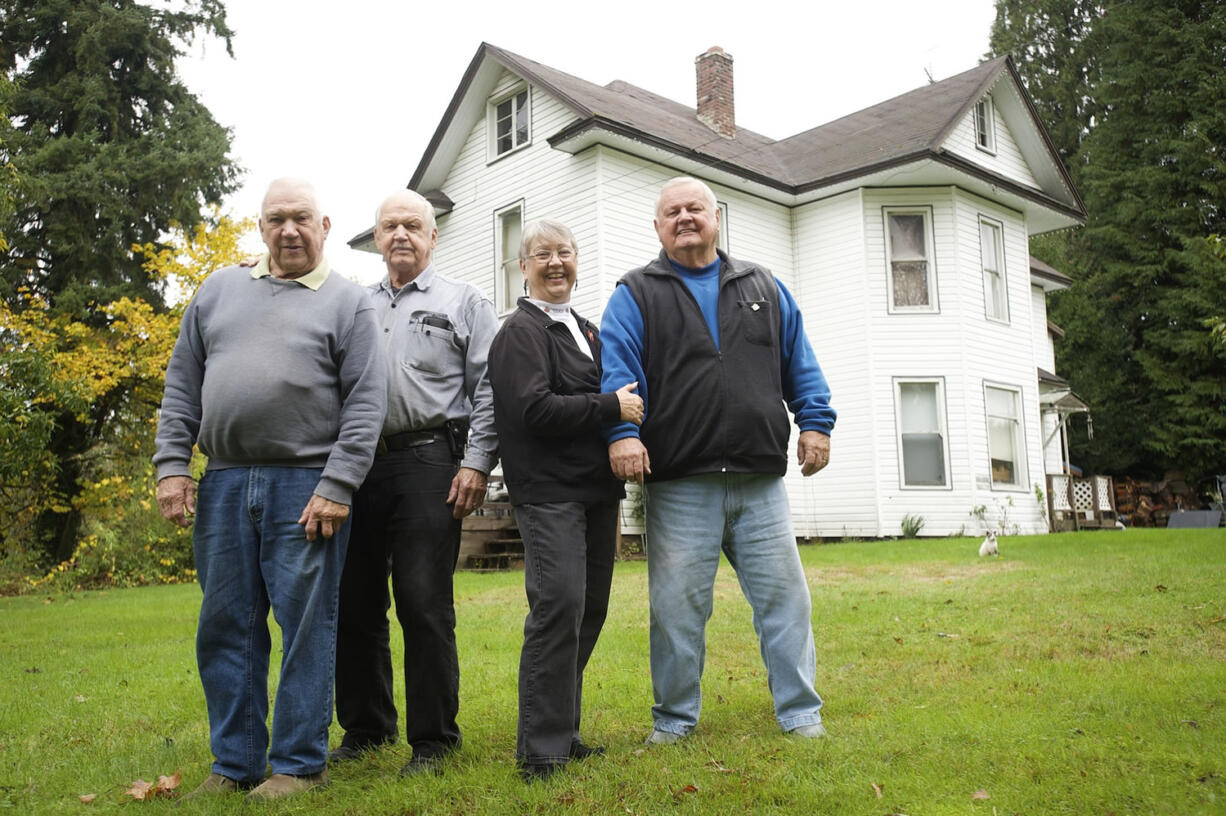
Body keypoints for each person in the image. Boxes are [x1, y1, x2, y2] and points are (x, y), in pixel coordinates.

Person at [153, 178, 386, 801]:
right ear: (260, 227)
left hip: (307, 486)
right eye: (276, 219)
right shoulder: (219, 290)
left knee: (307, 625)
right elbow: (182, 385)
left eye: (301, 218)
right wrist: (172, 466)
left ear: (325, 225)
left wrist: (338, 485)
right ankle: (234, 765)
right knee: (226, 624)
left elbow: (367, 402)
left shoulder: (349, 302)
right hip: (224, 480)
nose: (289, 230)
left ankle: (298, 766)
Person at [600, 176, 836, 744]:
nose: (685, 218)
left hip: (759, 480)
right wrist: (621, 432)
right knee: (677, 610)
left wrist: (816, 422)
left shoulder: (765, 286)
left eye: (695, 208)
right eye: (672, 211)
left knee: (785, 601)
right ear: (657, 227)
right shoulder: (636, 292)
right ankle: (674, 720)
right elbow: (618, 370)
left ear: (716, 217)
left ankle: (801, 712)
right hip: (681, 482)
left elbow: (798, 362)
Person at [331, 189, 499, 777]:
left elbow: (490, 387)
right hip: (354, 465)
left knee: (423, 603)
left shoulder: (465, 300)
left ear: (433, 237)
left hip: (430, 461)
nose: (400, 234)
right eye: (388, 226)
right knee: (354, 602)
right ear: (376, 238)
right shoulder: (351, 305)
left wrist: (477, 462)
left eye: (412, 226)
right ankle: (367, 727)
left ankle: (433, 741)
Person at [487, 219, 644, 781]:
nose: (556, 263)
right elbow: (534, 410)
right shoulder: (519, 334)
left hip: (596, 494)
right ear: (522, 268)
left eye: (566, 253)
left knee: (587, 611)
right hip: (549, 494)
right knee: (556, 607)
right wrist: (609, 407)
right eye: (543, 255)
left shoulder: (586, 329)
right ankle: (540, 750)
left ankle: (564, 731)